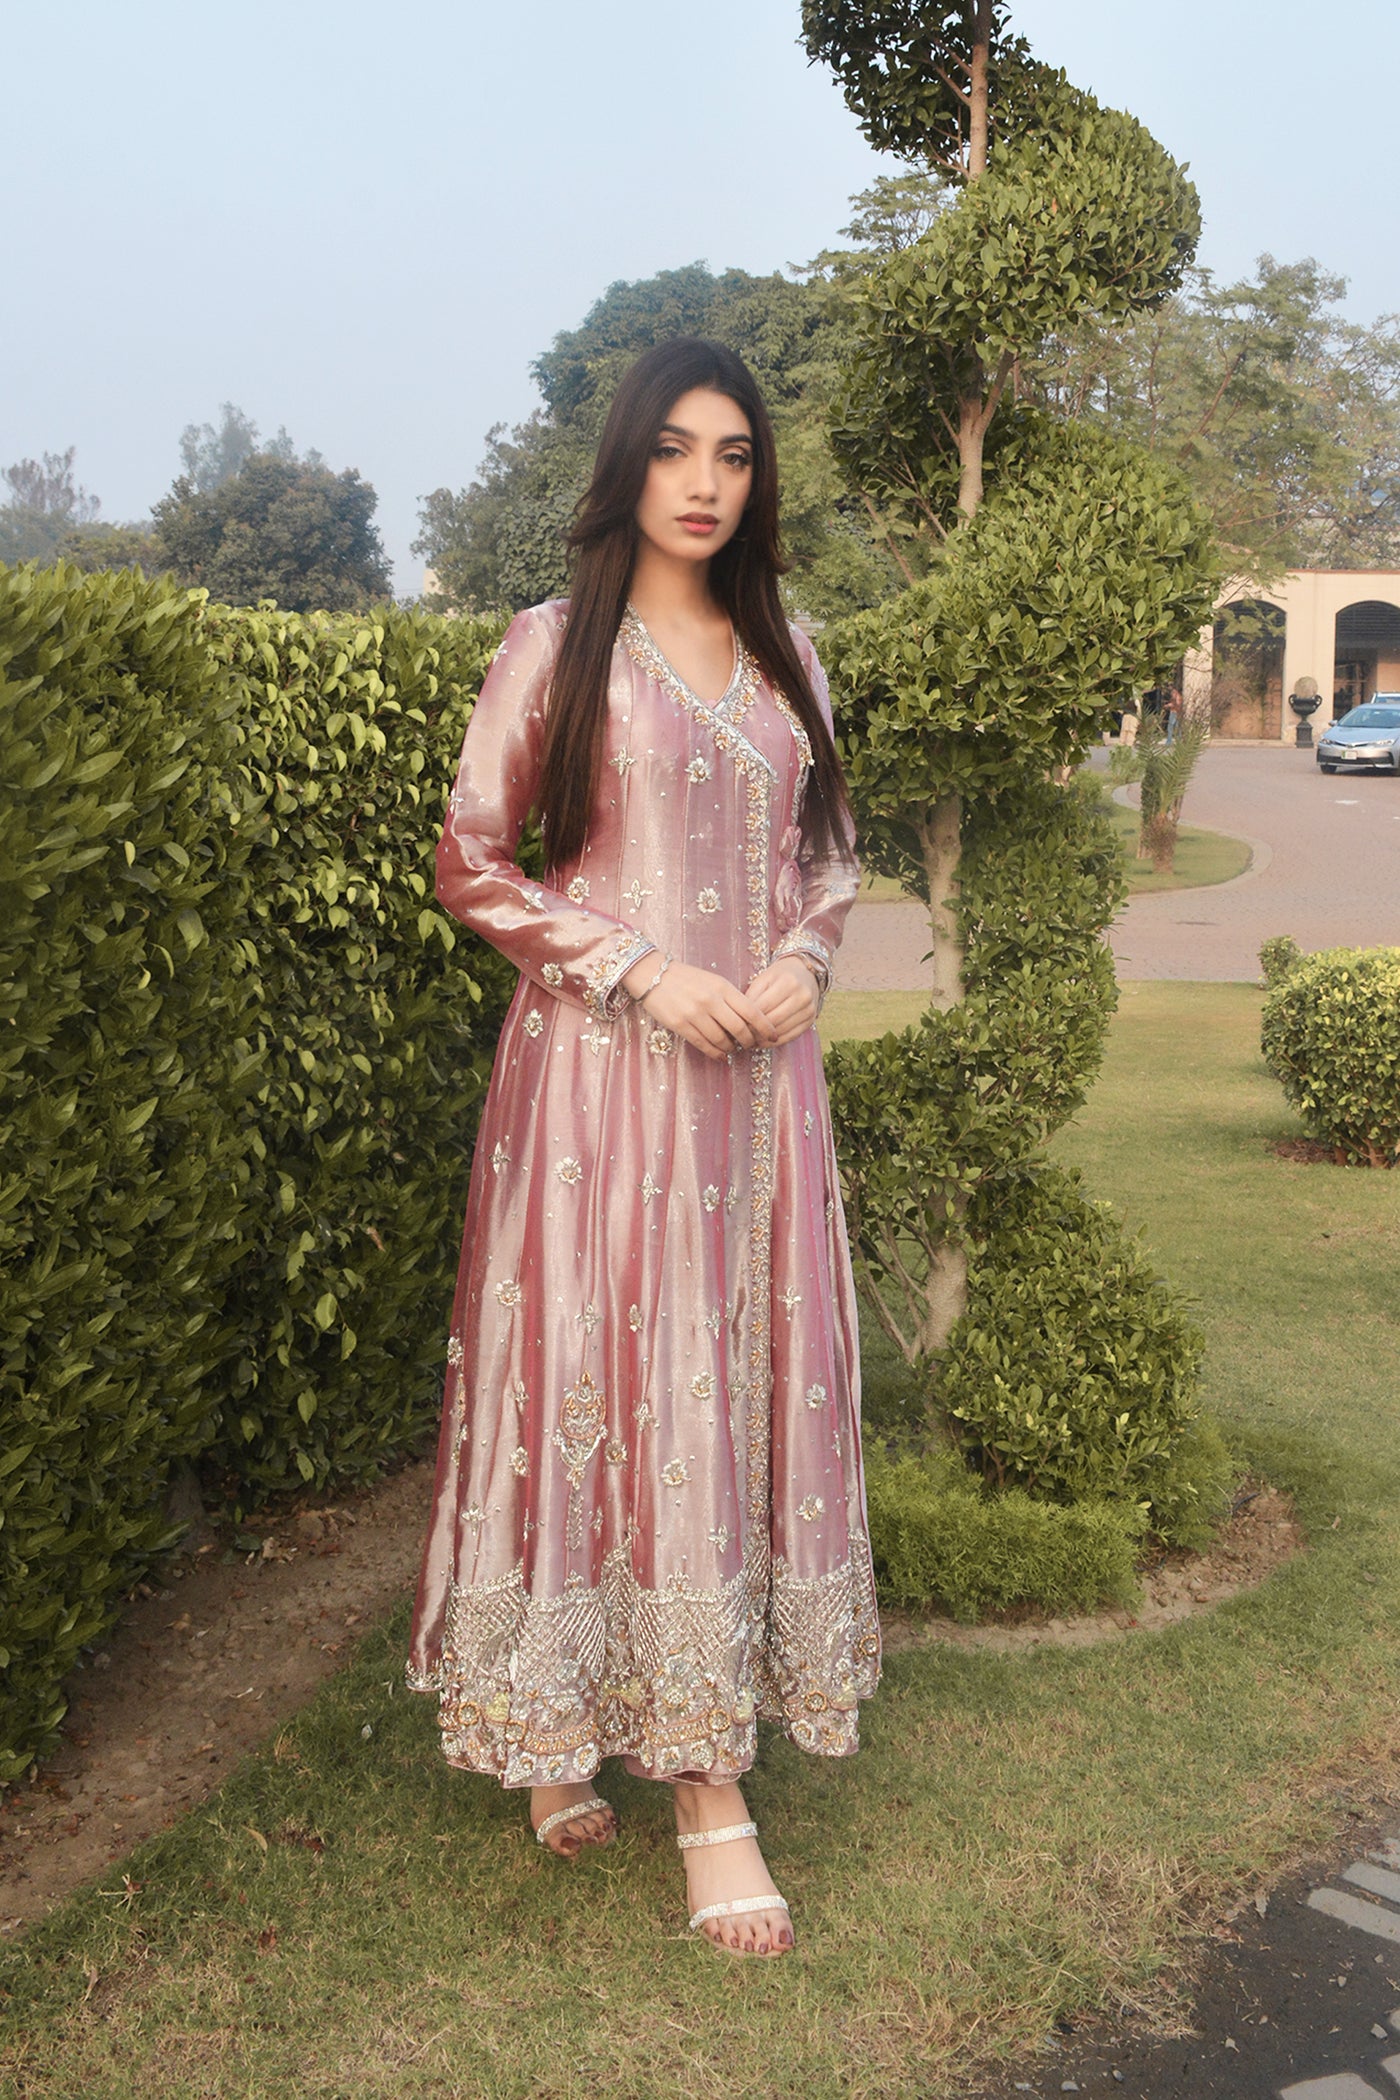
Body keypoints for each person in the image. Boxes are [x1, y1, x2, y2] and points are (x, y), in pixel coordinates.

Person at [407, 338, 881, 1959]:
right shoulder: (558, 643)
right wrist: (640, 969)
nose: (704, 482)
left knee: (733, 1387)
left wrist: (803, 958)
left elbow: (830, 853)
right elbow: (475, 863)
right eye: (676, 449)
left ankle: (646, 1721)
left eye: (734, 455)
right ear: (627, 463)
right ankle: (682, 1786)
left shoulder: (788, 648)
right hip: (601, 1087)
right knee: (607, 1378)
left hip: (761, 1094)